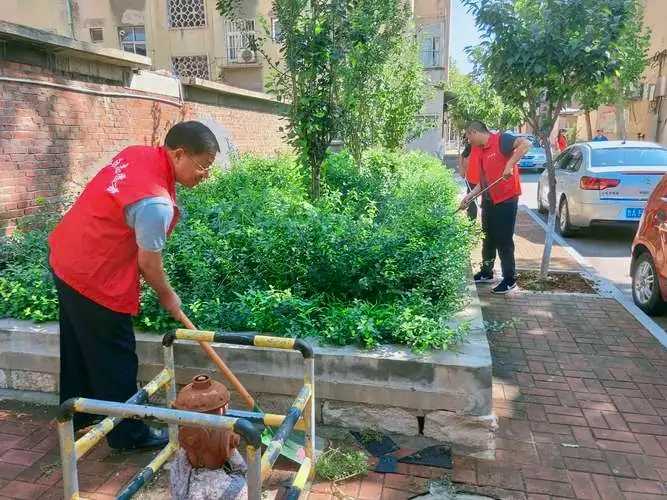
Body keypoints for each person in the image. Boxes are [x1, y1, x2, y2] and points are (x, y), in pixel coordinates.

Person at [48, 121, 219, 450]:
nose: (205, 175)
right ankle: (127, 434)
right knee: (117, 355)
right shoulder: (155, 204)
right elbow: (149, 264)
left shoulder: (139, 154)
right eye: (202, 166)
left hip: (67, 256)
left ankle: (80, 414)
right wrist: (169, 297)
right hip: (92, 272)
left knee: (78, 345)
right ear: (179, 154)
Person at [459, 121, 531, 294]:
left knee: (504, 240)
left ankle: (509, 279)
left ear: (474, 132)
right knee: (488, 237)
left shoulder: (501, 140)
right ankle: (486, 272)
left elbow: (526, 143)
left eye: (468, 136)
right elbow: (483, 183)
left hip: (506, 200)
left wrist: (509, 164)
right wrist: (469, 197)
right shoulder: (481, 151)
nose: (468, 140)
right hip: (489, 200)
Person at [459, 137, 478, 220]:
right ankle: (471, 219)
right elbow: (462, 157)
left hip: (479, 179)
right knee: (471, 200)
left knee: (473, 200)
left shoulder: (480, 147)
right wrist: (462, 170)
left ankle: (472, 218)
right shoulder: (469, 149)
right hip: (471, 179)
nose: (467, 142)